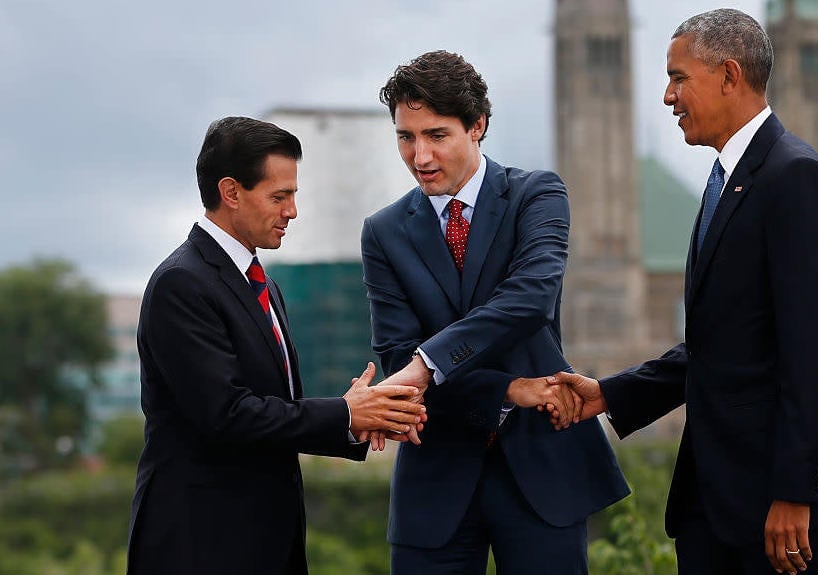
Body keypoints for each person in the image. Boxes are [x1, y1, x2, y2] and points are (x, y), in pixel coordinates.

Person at [552, 9, 818, 575]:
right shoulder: (727, 182)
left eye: (679, 78)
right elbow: (722, 344)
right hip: (715, 505)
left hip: (781, 510)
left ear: (729, 75)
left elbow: (816, 352)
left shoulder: (796, 177)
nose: (667, 96)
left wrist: (795, 490)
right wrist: (611, 393)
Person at [360, 50, 629, 574]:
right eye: (405, 137)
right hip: (435, 478)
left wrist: (427, 364)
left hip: (542, 470)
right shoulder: (384, 231)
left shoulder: (537, 194)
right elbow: (396, 355)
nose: (419, 156)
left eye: (436, 135)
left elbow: (530, 299)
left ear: (477, 126)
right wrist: (508, 389)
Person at [126, 116, 427, 575]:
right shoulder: (181, 284)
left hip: (268, 540)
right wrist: (346, 413)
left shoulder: (263, 285)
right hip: (202, 544)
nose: (293, 211)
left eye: (293, 195)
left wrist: (365, 418)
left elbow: (278, 413)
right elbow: (227, 414)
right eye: (279, 196)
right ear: (231, 192)